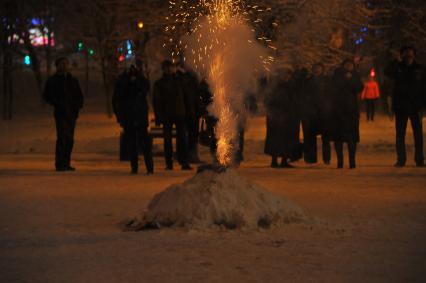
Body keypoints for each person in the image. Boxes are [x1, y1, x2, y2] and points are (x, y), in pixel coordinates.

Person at [385, 46, 425, 167]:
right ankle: (401, 159)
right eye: (406, 55)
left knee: (418, 135)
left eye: (410, 54)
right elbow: (387, 72)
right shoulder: (398, 68)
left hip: (416, 107)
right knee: (400, 134)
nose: (408, 57)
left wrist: (423, 106)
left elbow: (424, 88)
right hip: (401, 106)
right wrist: (396, 61)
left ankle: (419, 159)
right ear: (402, 56)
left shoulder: (420, 69)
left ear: (414, 55)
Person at [112, 62, 154, 175]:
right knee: (132, 143)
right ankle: (134, 167)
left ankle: (149, 167)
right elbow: (117, 97)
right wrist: (119, 115)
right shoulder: (122, 81)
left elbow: (145, 88)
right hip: (129, 116)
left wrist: (137, 80)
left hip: (139, 116)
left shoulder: (141, 79)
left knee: (144, 143)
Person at [43, 57, 83, 171]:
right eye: (62, 64)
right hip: (60, 113)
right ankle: (60, 163)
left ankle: (66, 162)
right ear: (57, 66)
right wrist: (57, 103)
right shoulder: (53, 81)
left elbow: (79, 96)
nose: (64, 66)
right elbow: (47, 95)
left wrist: (76, 107)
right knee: (62, 138)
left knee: (70, 139)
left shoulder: (72, 80)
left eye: (66, 63)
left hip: (72, 113)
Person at [153, 60, 191, 170]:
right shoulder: (160, 83)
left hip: (179, 113)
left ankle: (183, 162)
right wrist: (159, 116)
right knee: (168, 141)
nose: (169, 70)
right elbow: (157, 101)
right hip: (167, 114)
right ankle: (169, 163)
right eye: (167, 68)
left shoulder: (179, 80)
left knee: (182, 139)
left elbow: (186, 96)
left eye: (170, 67)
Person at [328, 59, 364, 169]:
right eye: (347, 65)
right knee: (338, 138)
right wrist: (345, 80)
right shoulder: (337, 74)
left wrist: (351, 80)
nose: (349, 67)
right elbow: (333, 88)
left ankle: (352, 161)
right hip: (338, 111)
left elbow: (359, 88)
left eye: (351, 65)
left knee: (351, 138)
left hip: (351, 111)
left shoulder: (355, 75)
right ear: (343, 66)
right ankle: (340, 161)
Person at [264, 69, 301, 168]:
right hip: (276, 118)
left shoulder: (290, 86)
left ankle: (284, 160)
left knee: (287, 140)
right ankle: (274, 160)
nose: (286, 77)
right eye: (285, 75)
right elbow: (269, 101)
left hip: (288, 118)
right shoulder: (275, 87)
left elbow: (294, 101)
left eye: (288, 75)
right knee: (276, 140)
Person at [300, 63, 331, 164]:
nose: (317, 70)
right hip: (311, 113)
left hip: (323, 112)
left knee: (326, 137)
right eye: (315, 68)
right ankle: (310, 159)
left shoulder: (326, 81)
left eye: (319, 68)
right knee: (310, 136)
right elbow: (304, 95)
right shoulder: (307, 81)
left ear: (322, 69)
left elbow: (330, 95)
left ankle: (326, 158)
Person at [175, 63, 202, 164]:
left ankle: (191, 155)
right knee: (184, 136)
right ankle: (184, 156)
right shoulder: (180, 79)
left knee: (193, 135)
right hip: (184, 113)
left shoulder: (193, 79)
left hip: (193, 112)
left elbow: (196, 96)